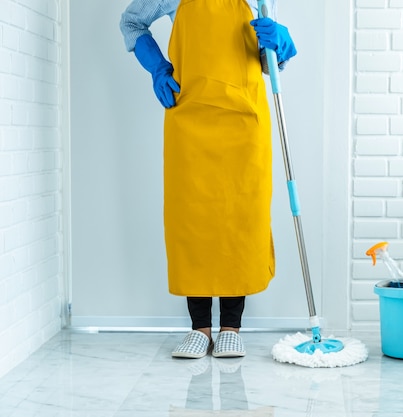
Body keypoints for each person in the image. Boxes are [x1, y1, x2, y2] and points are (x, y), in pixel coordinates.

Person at [119, 0, 296, 359]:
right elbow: (132, 23)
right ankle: (199, 328)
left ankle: (231, 327)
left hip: (244, 120)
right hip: (191, 117)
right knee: (192, 220)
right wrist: (157, 68)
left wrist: (281, 43)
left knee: (240, 218)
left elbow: (269, 63)